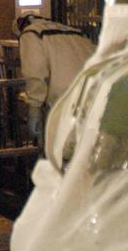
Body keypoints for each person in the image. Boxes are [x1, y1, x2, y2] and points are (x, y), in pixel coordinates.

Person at [15, 14, 95, 150]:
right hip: (93, 97)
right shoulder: (76, 33)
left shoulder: (31, 34)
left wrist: (34, 105)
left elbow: (35, 73)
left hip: (63, 104)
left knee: (62, 156)